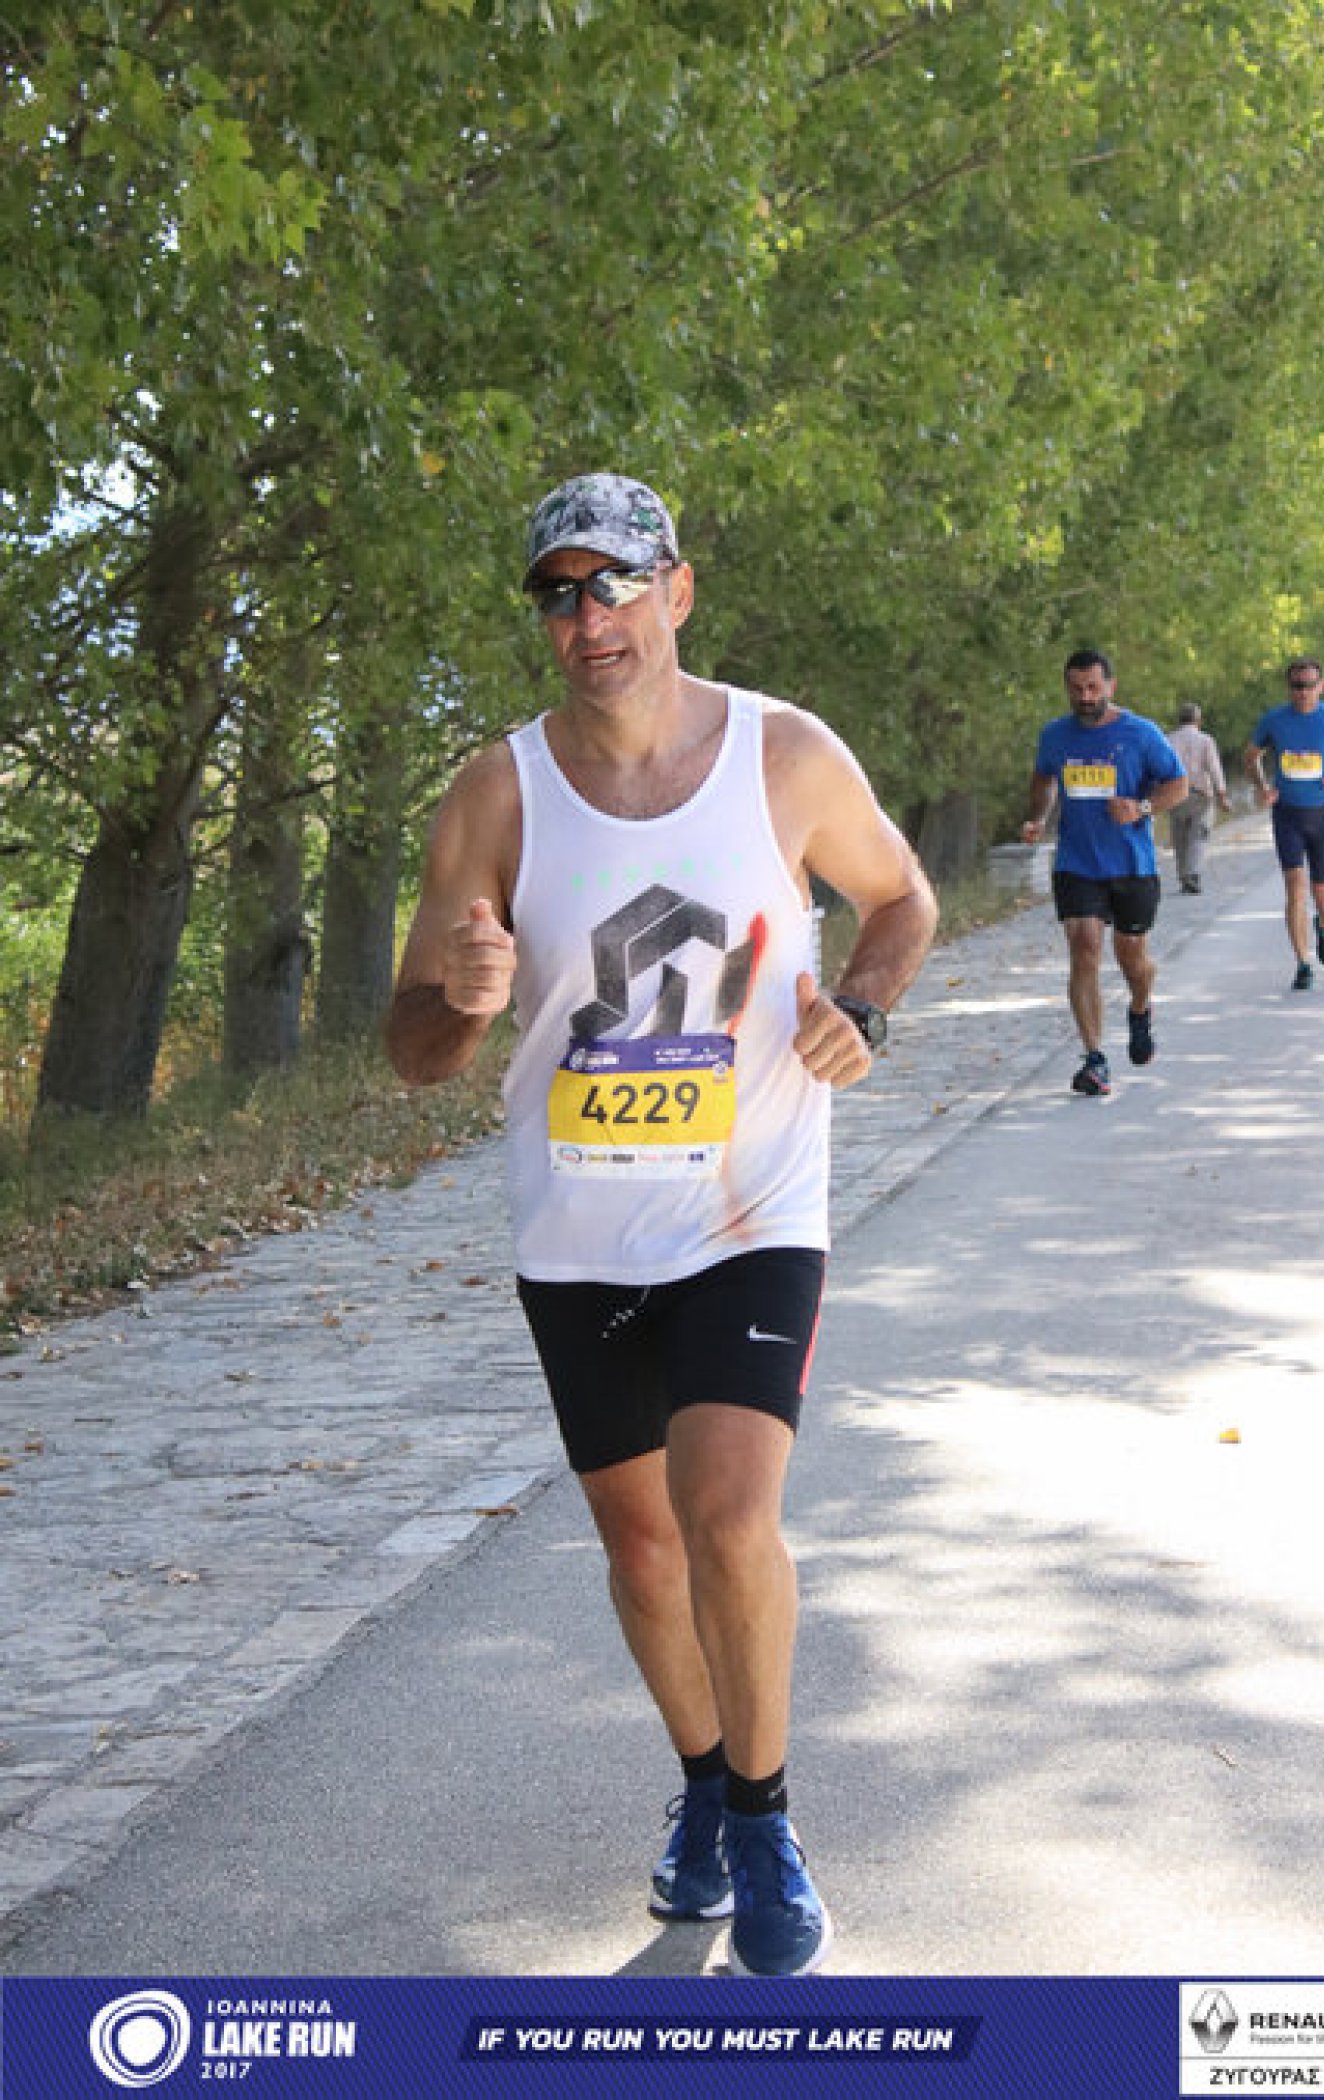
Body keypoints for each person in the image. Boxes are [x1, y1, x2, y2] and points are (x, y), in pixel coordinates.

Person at [384, 471, 937, 1977]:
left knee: (727, 1514)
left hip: (752, 1207)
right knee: (641, 1553)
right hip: (576, 1230)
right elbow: (412, 1047)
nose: (589, 619)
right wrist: (459, 1002)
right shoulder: (496, 794)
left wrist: (864, 1010)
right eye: (558, 594)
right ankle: (702, 1784)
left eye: (615, 584)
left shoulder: (783, 755)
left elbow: (901, 899)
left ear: (677, 591)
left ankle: (763, 1821)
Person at [1022, 648, 1187, 1097]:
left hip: (1132, 863)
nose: (1085, 697)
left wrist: (1142, 807)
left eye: (1094, 687)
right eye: (1077, 689)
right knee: (1084, 947)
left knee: (1132, 958)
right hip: (1077, 863)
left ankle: (1140, 1008)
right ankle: (1094, 1059)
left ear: (1111, 686)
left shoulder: (1141, 733)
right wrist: (1037, 817)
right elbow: (1043, 779)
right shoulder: (1055, 735)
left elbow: (1178, 784)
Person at [1243, 658, 1324, 991]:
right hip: (1287, 814)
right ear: (1289, 687)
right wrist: (1262, 787)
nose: (1303, 692)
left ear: (1321, 686)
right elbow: (1251, 756)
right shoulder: (1274, 720)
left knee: (1323, 898)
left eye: (1310, 685)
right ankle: (1302, 963)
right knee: (1295, 889)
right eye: (1298, 686)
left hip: (1321, 815)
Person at [1166, 701, 1232, 893]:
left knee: (1179, 838)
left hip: (1175, 795)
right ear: (1198, 720)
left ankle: (1183, 876)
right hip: (1201, 796)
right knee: (1199, 836)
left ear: (1179, 720)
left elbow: (1160, 769)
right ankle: (1193, 874)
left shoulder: (1168, 740)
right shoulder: (1206, 740)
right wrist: (1222, 795)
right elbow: (1214, 769)